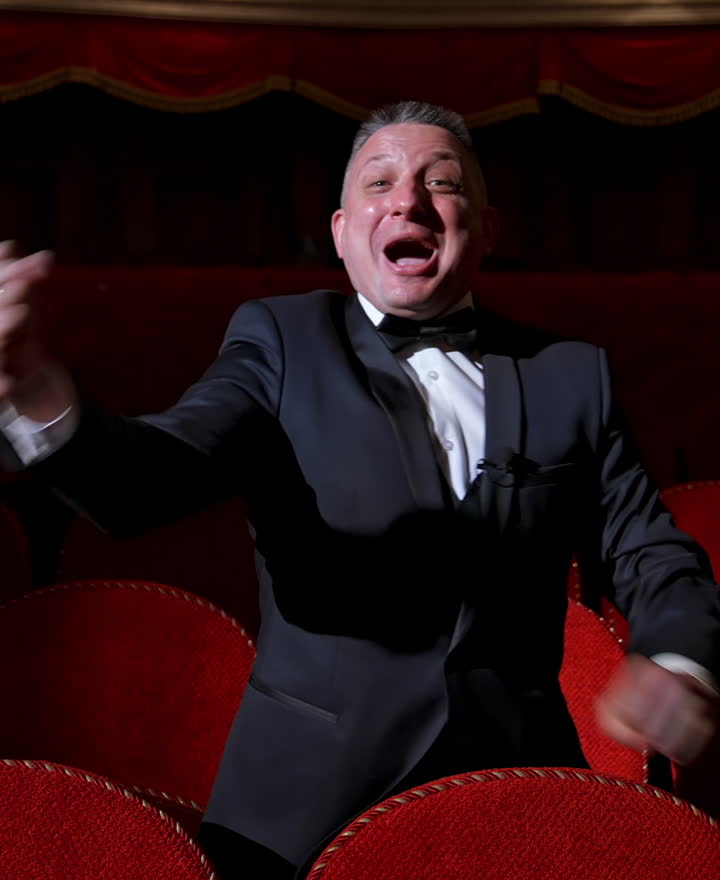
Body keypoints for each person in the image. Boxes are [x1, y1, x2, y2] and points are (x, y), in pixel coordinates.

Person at [1, 99, 719, 880]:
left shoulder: (573, 373)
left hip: (515, 785)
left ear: (486, 226)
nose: (407, 200)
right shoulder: (280, 340)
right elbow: (148, 481)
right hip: (306, 801)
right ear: (343, 234)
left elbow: (652, 552)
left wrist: (676, 660)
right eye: (379, 182)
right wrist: (37, 391)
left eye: (440, 183)